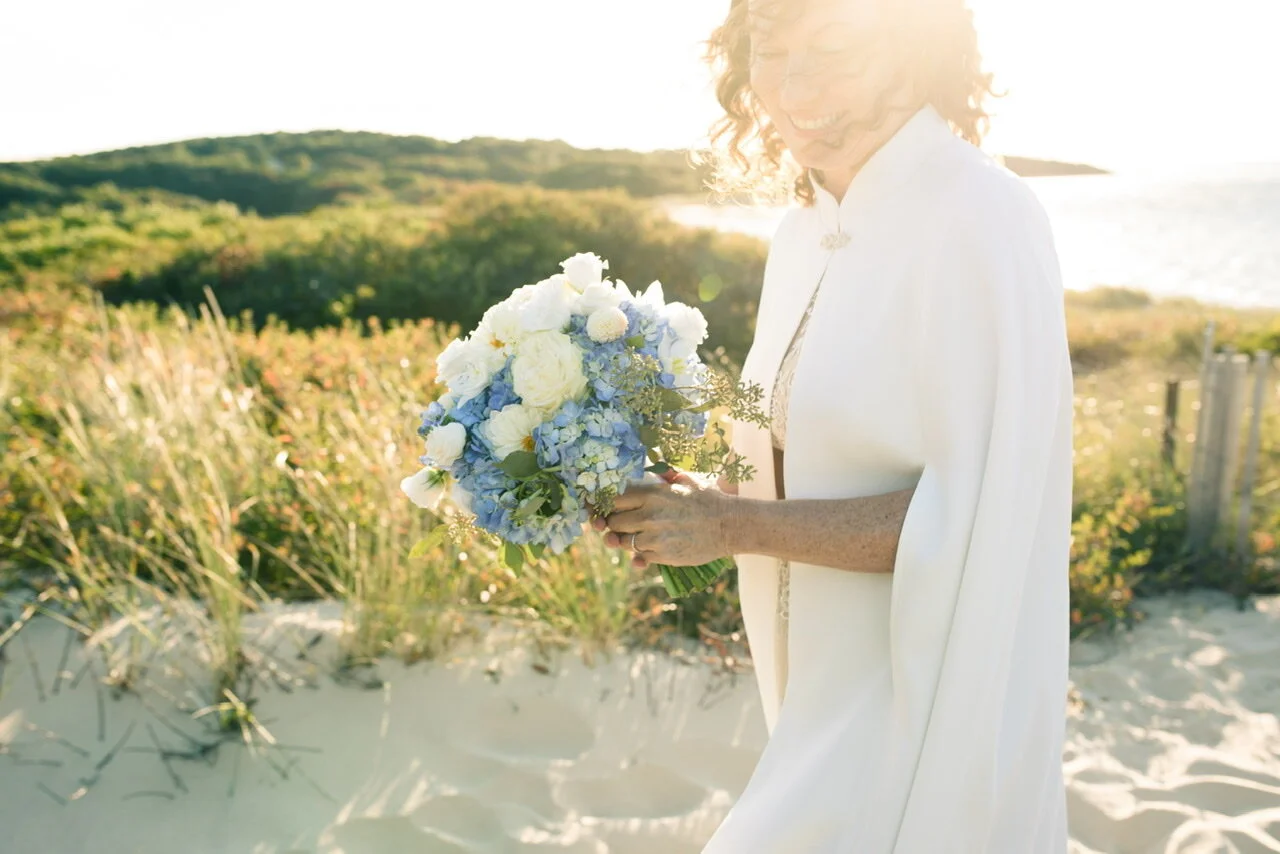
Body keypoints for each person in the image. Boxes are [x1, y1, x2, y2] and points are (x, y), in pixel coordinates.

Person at [592, 0, 1075, 850]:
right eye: (769, 52)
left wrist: (731, 525)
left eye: (835, 47)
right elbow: (788, 443)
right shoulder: (803, 231)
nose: (794, 86)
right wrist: (688, 501)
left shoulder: (983, 218)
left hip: (921, 695)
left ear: (917, 50)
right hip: (813, 695)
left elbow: (975, 522)